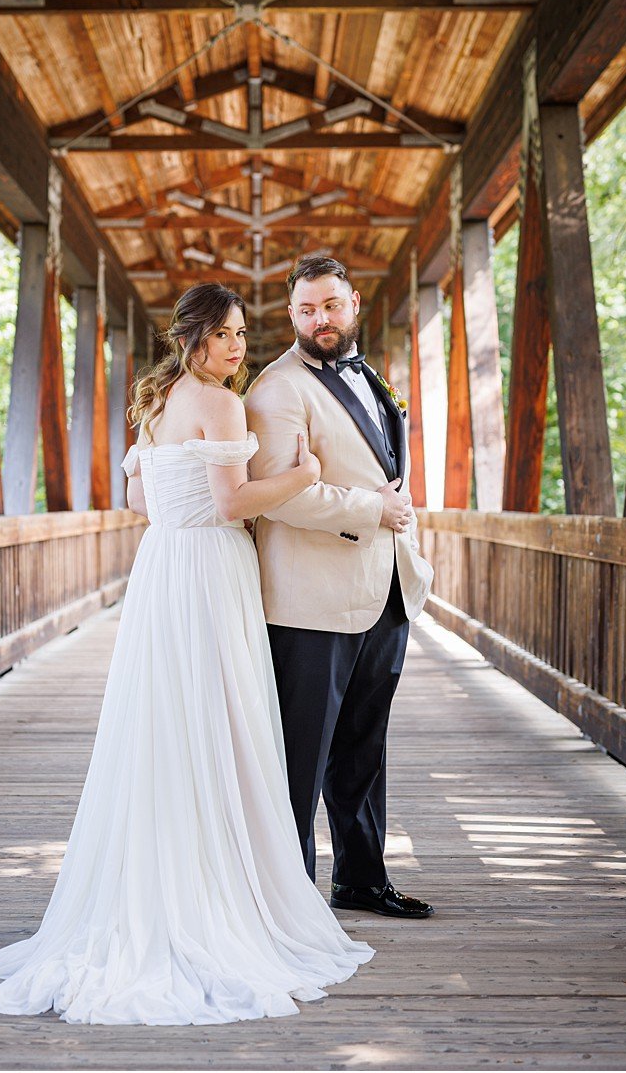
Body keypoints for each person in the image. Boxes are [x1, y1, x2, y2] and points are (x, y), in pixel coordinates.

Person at [0, 282, 373, 1026]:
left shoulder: (156, 402)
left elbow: (140, 506)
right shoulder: (220, 403)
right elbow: (231, 504)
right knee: (217, 719)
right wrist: (304, 476)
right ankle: (214, 892)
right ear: (192, 337)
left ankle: (155, 878)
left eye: (241, 334)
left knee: (162, 724)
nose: (236, 346)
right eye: (223, 334)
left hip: (163, 569)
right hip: (211, 570)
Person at [245, 254, 436, 918]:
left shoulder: (369, 375)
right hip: (310, 600)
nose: (319, 318)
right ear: (291, 314)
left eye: (329, 305)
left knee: (364, 744)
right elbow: (279, 497)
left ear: (352, 303)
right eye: (305, 309)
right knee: (303, 754)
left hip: (383, 591)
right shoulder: (276, 389)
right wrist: (370, 509)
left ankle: (360, 876)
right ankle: (289, 893)